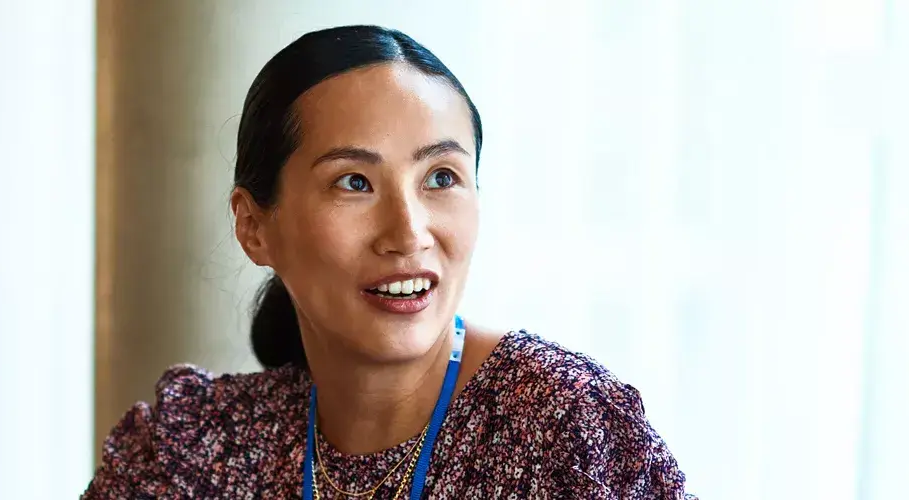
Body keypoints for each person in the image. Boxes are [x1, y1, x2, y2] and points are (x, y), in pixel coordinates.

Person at [82, 25, 692, 499]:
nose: (408, 232)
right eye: (353, 182)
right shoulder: (189, 452)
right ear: (254, 226)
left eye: (442, 177)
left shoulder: (563, 430)